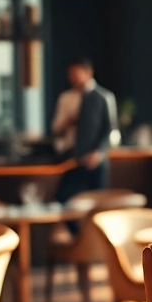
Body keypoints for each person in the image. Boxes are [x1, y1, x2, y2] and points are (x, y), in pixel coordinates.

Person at [53, 59, 117, 226]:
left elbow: (110, 128)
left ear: (88, 72)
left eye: (75, 73)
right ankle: (79, 237)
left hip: (96, 159)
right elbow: (56, 130)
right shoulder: (67, 97)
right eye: (70, 74)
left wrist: (98, 152)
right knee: (64, 198)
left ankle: (97, 244)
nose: (72, 77)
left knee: (97, 204)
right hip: (74, 158)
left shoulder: (104, 96)